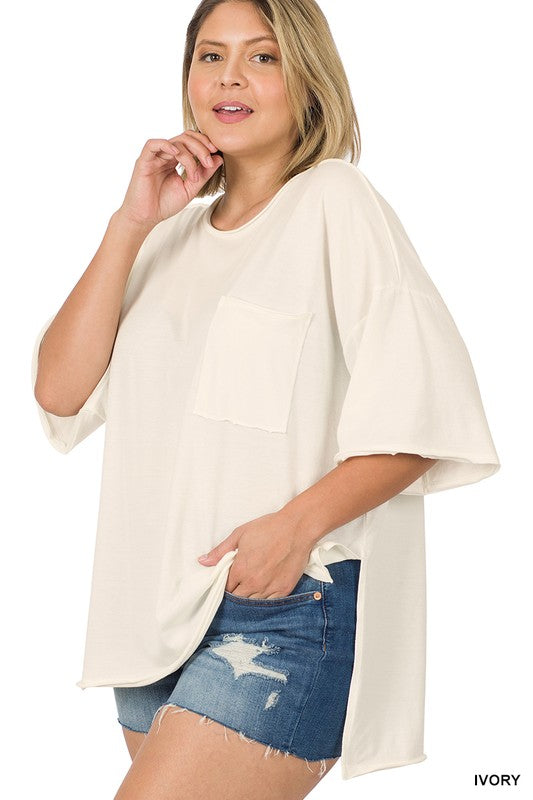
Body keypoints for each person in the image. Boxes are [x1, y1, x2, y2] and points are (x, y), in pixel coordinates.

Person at [31, 1, 501, 798]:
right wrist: (130, 223)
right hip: (147, 619)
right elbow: (60, 390)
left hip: (277, 606)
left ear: (307, 79)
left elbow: (424, 414)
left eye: (262, 56)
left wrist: (293, 527)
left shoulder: (334, 201)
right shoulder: (165, 237)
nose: (230, 78)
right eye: (210, 56)